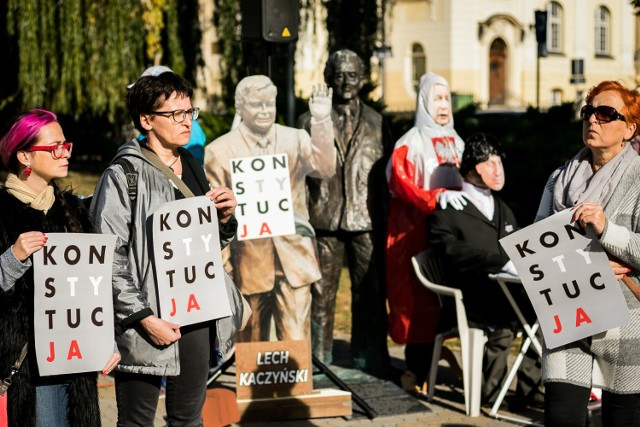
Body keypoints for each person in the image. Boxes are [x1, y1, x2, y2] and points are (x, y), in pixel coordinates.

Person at [91, 71, 241, 425]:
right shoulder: (122, 174)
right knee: (136, 421)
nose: (186, 121)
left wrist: (224, 220)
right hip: (146, 318)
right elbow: (109, 256)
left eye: (190, 112)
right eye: (174, 114)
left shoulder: (191, 163)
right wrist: (144, 319)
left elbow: (204, 246)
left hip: (196, 313)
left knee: (188, 419)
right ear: (146, 120)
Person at [0, 109, 120, 426]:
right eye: (55, 147)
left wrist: (106, 339)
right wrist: (12, 257)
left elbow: (95, 287)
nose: (65, 153)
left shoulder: (74, 211)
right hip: (25, 367)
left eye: (65, 145)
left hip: (74, 362)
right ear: (25, 156)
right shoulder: (2, 212)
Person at [535, 81, 640, 426]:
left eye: (606, 113)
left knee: (623, 420)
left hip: (626, 324)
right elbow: (536, 247)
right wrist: (588, 263)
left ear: (630, 128)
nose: (593, 119)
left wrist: (607, 228)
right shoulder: (559, 179)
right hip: (567, 311)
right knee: (560, 416)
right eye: (588, 112)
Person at [205, 75, 335, 343]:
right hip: (247, 262)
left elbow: (325, 168)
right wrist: (223, 266)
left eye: (270, 104)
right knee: (251, 347)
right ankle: (254, 384)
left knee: (296, 343)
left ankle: (296, 387)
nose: (265, 111)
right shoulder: (219, 151)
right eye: (256, 104)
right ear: (240, 108)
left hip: (294, 258)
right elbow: (215, 217)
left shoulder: (295, 139)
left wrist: (321, 121)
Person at [427, 132, 542, 406]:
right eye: (490, 164)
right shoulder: (446, 214)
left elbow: (517, 245)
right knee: (504, 326)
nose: (498, 170)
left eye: (500, 163)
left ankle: (529, 387)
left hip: (510, 293)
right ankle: (490, 392)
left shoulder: (503, 208)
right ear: (471, 168)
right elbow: (453, 253)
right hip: (472, 299)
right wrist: (501, 263)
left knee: (547, 313)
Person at [297, 49, 390, 375]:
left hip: (365, 217)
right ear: (327, 78)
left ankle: (370, 360)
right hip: (324, 217)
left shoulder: (378, 122)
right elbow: (300, 173)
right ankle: (319, 361)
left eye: (352, 74)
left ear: (363, 78)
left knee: (370, 290)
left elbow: (384, 176)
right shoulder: (308, 120)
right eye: (338, 74)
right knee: (320, 292)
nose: (345, 81)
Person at [386, 72, 466, 393]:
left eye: (447, 98)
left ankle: (439, 352)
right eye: (437, 98)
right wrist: (434, 199)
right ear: (424, 102)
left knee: (448, 298)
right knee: (418, 300)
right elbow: (400, 183)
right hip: (414, 234)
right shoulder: (409, 143)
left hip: (452, 235)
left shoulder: (457, 141)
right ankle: (416, 367)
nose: (444, 105)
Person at [129, 65, 207, 164]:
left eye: (189, 112)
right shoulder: (126, 174)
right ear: (146, 120)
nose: (189, 122)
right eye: (177, 114)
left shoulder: (193, 167)